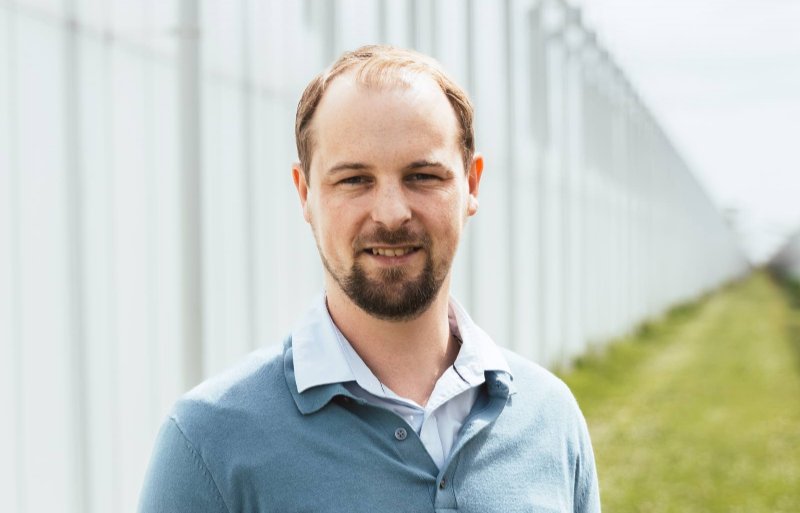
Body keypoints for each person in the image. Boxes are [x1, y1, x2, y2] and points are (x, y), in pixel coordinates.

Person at [139, 45, 601, 513]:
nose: (391, 213)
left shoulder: (549, 418)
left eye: (422, 176)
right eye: (355, 180)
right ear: (305, 194)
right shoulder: (208, 443)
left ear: (472, 184)